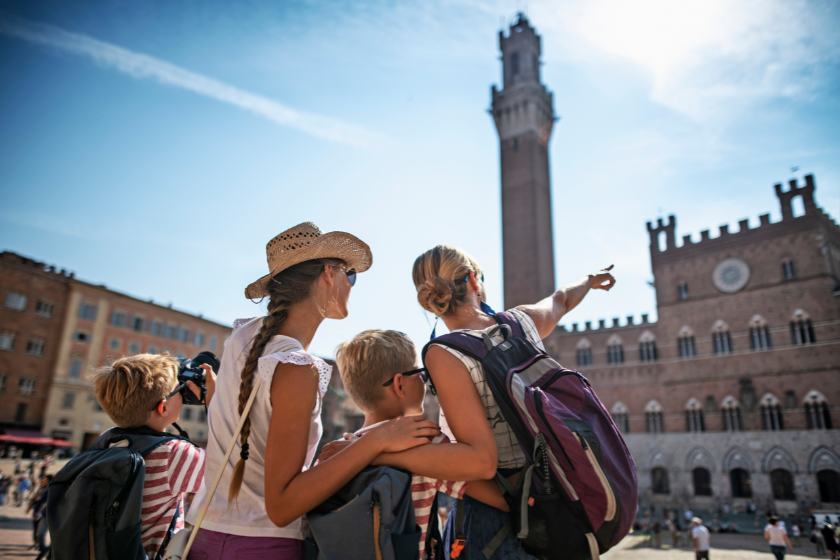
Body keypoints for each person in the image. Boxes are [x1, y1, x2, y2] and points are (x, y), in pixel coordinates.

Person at [185, 223, 439, 560]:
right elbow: (282, 506)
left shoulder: (242, 338)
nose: (352, 285)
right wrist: (375, 441)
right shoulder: (297, 367)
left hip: (203, 534)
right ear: (328, 274)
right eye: (350, 275)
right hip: (263, 545)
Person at [399, 245, 613, 559]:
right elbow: (562, 299)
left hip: (499, 516)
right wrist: (590, 279)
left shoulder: (444, 353)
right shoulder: (522, 321)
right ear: (473, 280)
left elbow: (480, 462)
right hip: (559, 497)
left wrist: (389, 451)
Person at [332, 329, 509, 557]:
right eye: (421, 374)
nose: (425, 382)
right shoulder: (422, 441)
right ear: (400, 385)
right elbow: (501, 499)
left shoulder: (337, 451)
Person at [90, 353, 215, 556]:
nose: (183, 395)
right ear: (163, 407)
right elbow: (228, 469)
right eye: (179, 389)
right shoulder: (173, 454)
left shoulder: (107, 439)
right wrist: (215, 403)